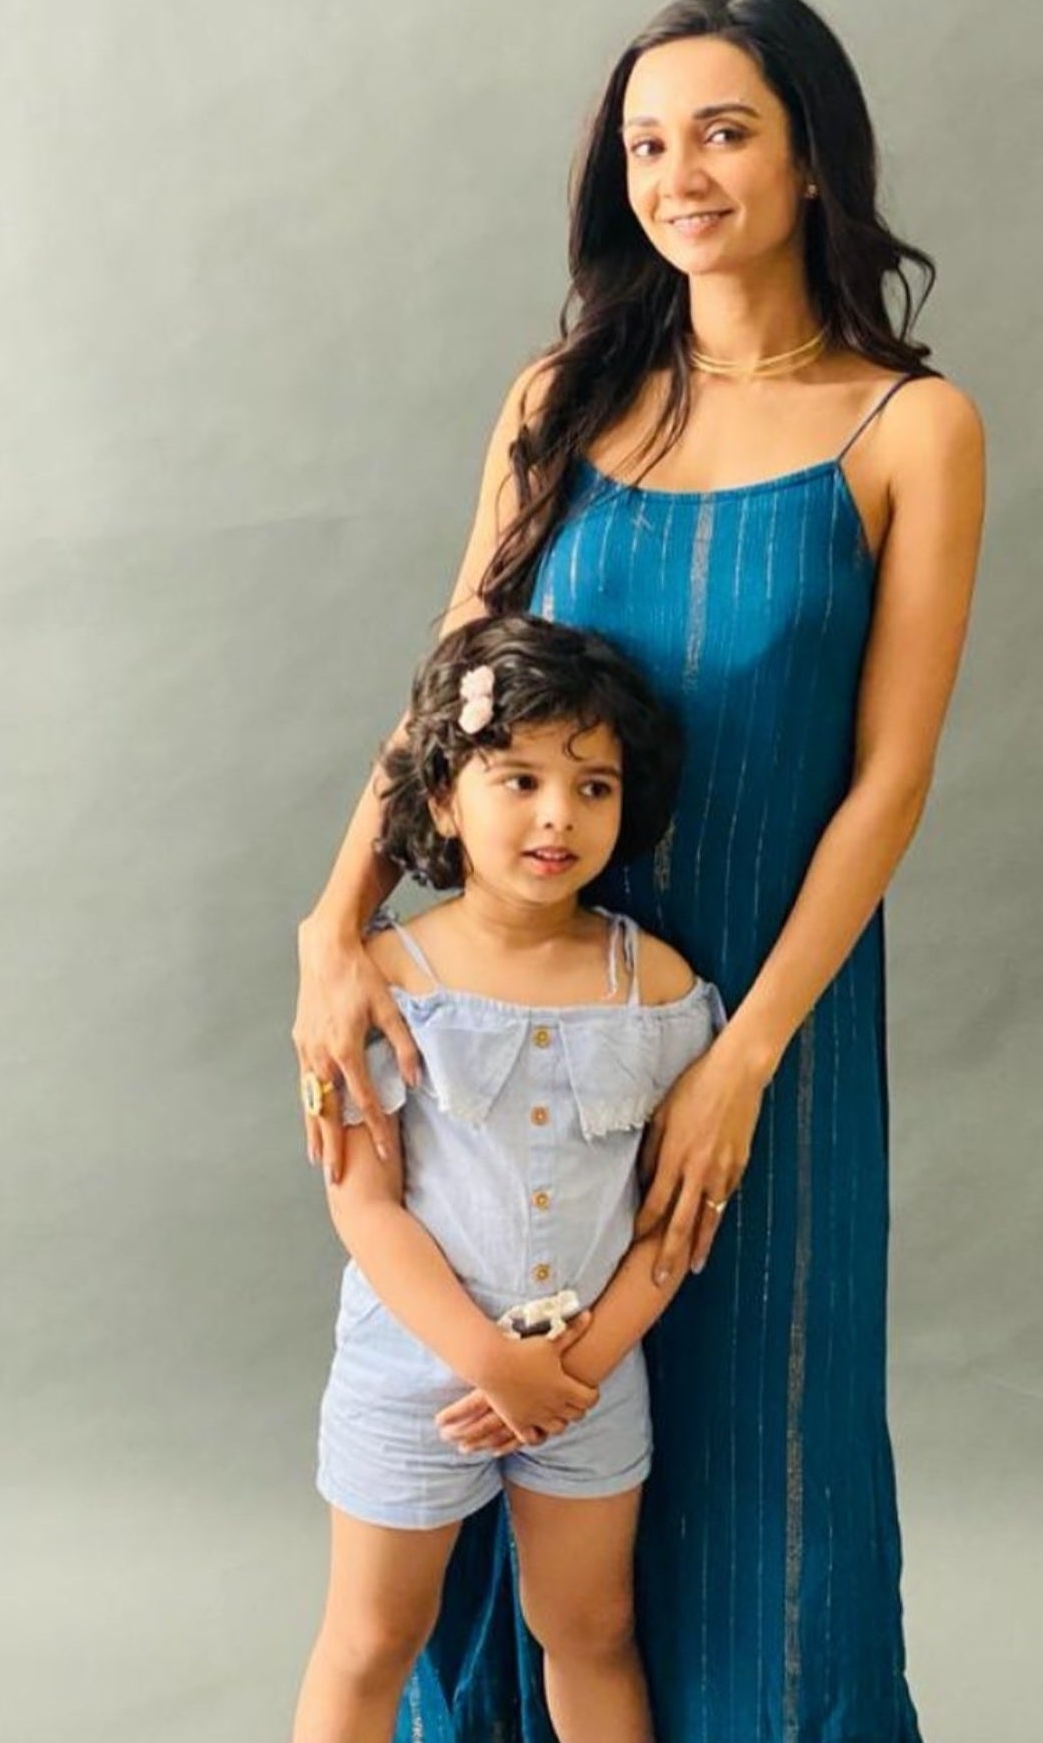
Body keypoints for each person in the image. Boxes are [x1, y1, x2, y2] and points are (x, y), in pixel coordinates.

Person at [293, 0, 985, 1740]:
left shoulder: (912, 428)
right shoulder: (563, 396)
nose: (680, 175)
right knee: (494, 1408)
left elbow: (890, 781)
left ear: (814, 159)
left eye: (725, 132)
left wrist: (739, 1058)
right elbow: (450, 686)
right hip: (512, 1006)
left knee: (767, 1446)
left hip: (768, 1025)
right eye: (648, 143)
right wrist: (334, 919)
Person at [292, 613, 724, 1743]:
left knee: (591, 1629)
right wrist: (488, 1361)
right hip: (413, 1370)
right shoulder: (385, 978)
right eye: (520, 779)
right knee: (371, 1638)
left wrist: (570, 1371)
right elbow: (362, 1201)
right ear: (443, 798)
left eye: (593, 786)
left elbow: (672, 1220)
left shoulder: (657, 989)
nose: (556, 815)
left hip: (589, 1379)